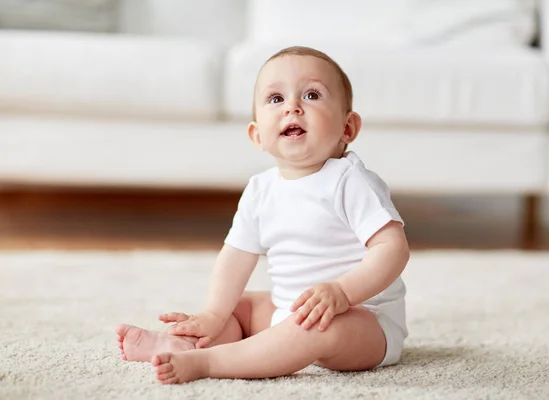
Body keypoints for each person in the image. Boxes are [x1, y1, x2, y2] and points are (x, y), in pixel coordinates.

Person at [116, 46, 410, 385]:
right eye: (275, 99)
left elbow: (393, 248)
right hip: (288, 309)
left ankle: (209, 362)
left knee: (317, 326)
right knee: (238, 307)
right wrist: (213, 314)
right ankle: (179, 343)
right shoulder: (260, 189)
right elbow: (236, 256)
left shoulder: (349, 180)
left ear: (347, 128)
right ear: (257, 135)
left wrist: (342, 292)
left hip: (362, 322)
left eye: (312, 95)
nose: (292, 107)